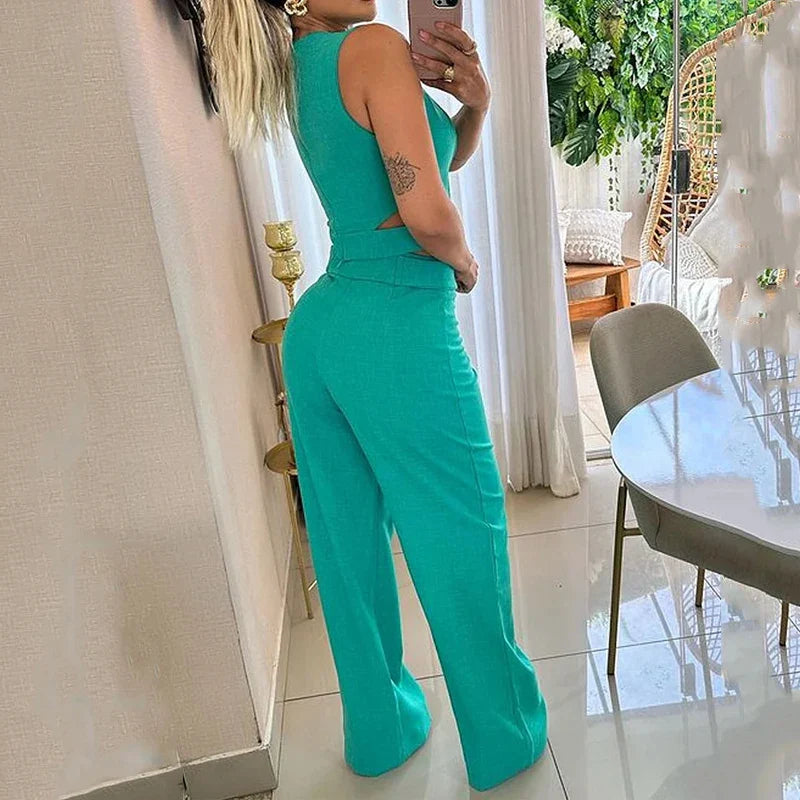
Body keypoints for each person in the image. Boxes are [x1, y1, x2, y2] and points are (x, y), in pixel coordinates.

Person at [205, 0, 547, 791]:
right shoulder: (373, 46)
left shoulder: (295, 66)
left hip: (322, 331)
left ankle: (382, 731)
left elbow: (420, 166)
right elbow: (424, 209)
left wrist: (476, 107)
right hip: (394, 325)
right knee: (462, 528)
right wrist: (464, 263)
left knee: (347, 548)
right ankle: (505, 738)